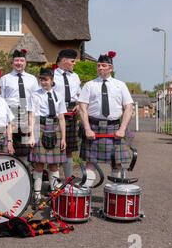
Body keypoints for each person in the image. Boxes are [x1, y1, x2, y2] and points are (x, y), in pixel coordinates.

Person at [78, 51, 134, 187]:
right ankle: (85, 196)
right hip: (94, 127)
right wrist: (87, 129)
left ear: (111, 68)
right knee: (90, 162)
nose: (100, 68)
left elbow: (129, 107)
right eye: (98, 66)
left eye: (103, 66)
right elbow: (82, 108)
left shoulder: (120, 85)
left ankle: (117, 194)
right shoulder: (89, 85)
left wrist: (122, 129)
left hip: (113, 128)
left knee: (116, 161)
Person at [28, 67, 67, 207]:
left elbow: (61, 118)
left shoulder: (58, 96)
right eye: (41, 80)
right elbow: (31, 116)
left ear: (52, 80)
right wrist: (31, 136)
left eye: (45, 80)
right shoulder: (35, 95)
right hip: (40, 127)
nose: (43, 82)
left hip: (55, 128)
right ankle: (37, 195)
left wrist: (63, 138)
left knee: (54, 164)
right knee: (38, 164)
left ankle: (54, 195)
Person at [0, 49, 39, 165]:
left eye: (22, 60)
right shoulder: (5, 79)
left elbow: (35, 100)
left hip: (27, 115)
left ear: (25, 62)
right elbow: (1, 100)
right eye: (16, 60)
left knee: (25, 150)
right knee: (9, 148)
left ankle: (24, 174)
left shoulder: (32, 79)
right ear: (12, 62)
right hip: (10, 115)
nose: (19, 63)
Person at [53, 49, 82, 180]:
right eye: (72, 61)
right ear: (63, 60)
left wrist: (78, 103)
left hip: (70, 113)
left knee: (68, 149)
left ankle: (68, 181)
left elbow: (79, 94)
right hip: (55, 114)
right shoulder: (52, 75)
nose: (74, 64)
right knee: (53, 148)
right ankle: (54, 183)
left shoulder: (74, 76)